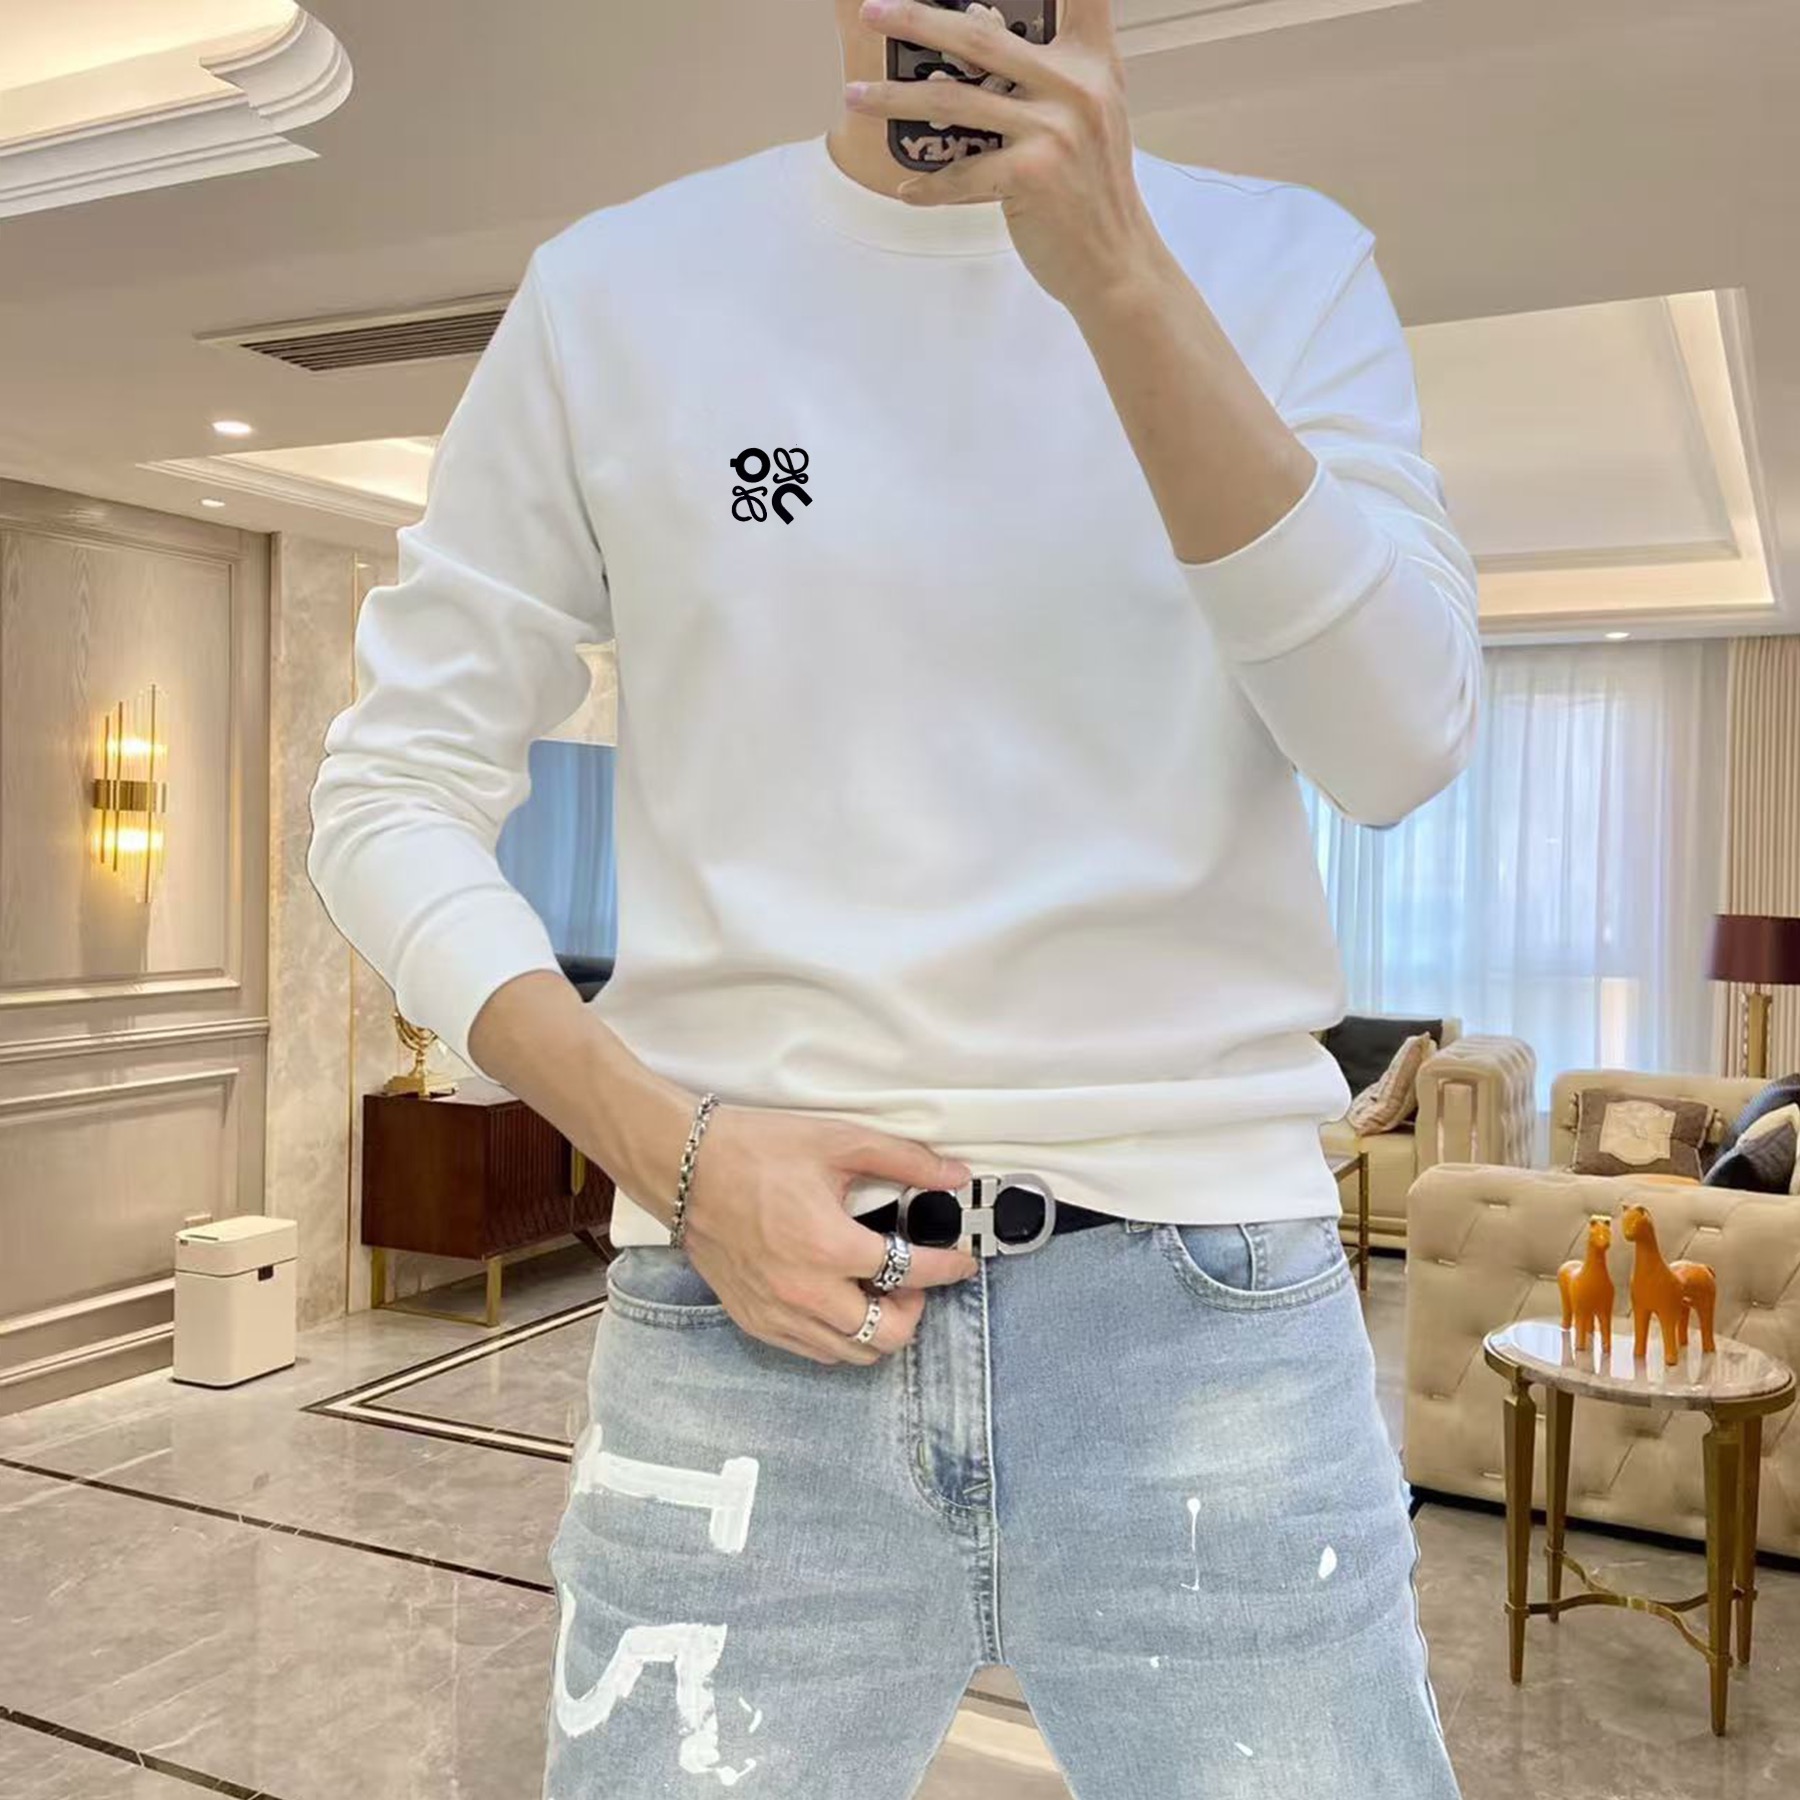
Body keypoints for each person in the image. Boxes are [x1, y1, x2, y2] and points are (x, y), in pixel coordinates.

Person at [306, 3, 1479, 1794]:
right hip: (741, 1326)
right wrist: (666, 1151)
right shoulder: (618, 290)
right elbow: (388, 791)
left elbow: (1398, 744)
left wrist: (1122, 283)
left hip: (1207, 1320)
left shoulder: (1281, 266)